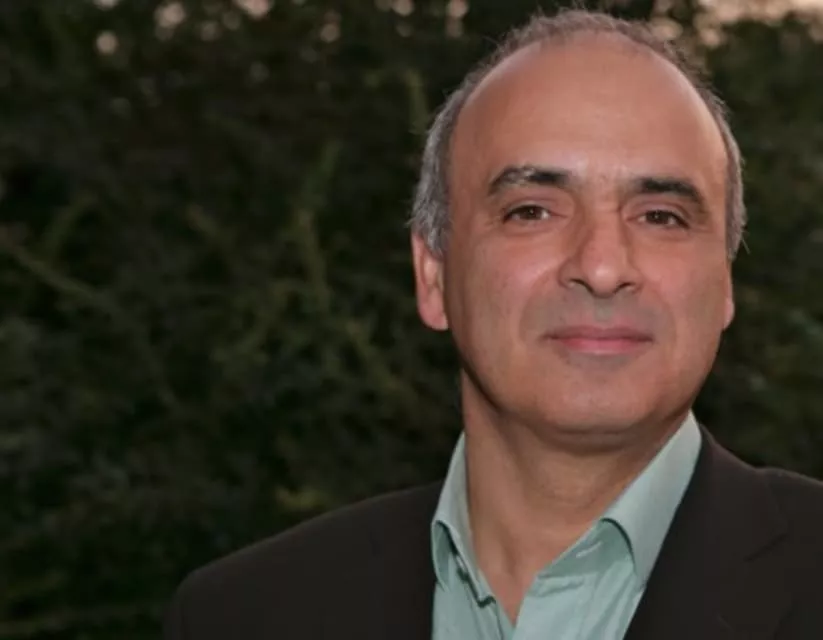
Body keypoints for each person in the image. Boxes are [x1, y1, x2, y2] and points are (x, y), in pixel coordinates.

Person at [164, 9, 823, 640]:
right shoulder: (243, 617)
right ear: (433, 275)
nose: (602, 267)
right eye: (531, 211)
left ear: (724, 280)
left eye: (661, 217)